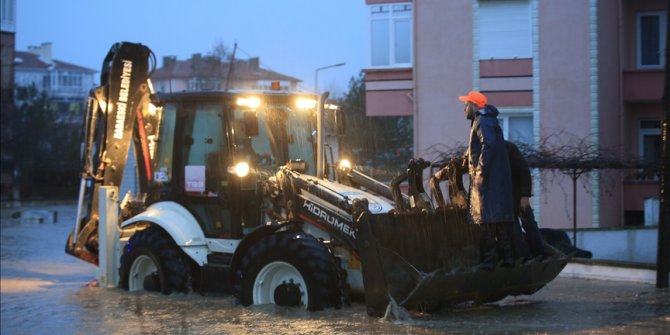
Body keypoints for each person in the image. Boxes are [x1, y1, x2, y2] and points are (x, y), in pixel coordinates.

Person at [459, 91, 516, 269]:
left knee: (486, 222)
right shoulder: (488, 121)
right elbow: (479, 149)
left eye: (466, 105)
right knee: (497, 223)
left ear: (474, 105)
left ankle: (489, 263)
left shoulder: (482, 122)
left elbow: (488, 145)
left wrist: (480, 173)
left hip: (487, 183)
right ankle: (507, 261)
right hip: (494, 183)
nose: (464, 109)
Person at [506, 140, 546, 259]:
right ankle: (525, 257)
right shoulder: (488, 150)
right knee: (515, 230)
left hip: (517, 196)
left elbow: (523, 171)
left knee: (528, 225)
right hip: (506, 199)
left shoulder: (509, 148)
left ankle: (540, 254)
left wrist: (524, 195)